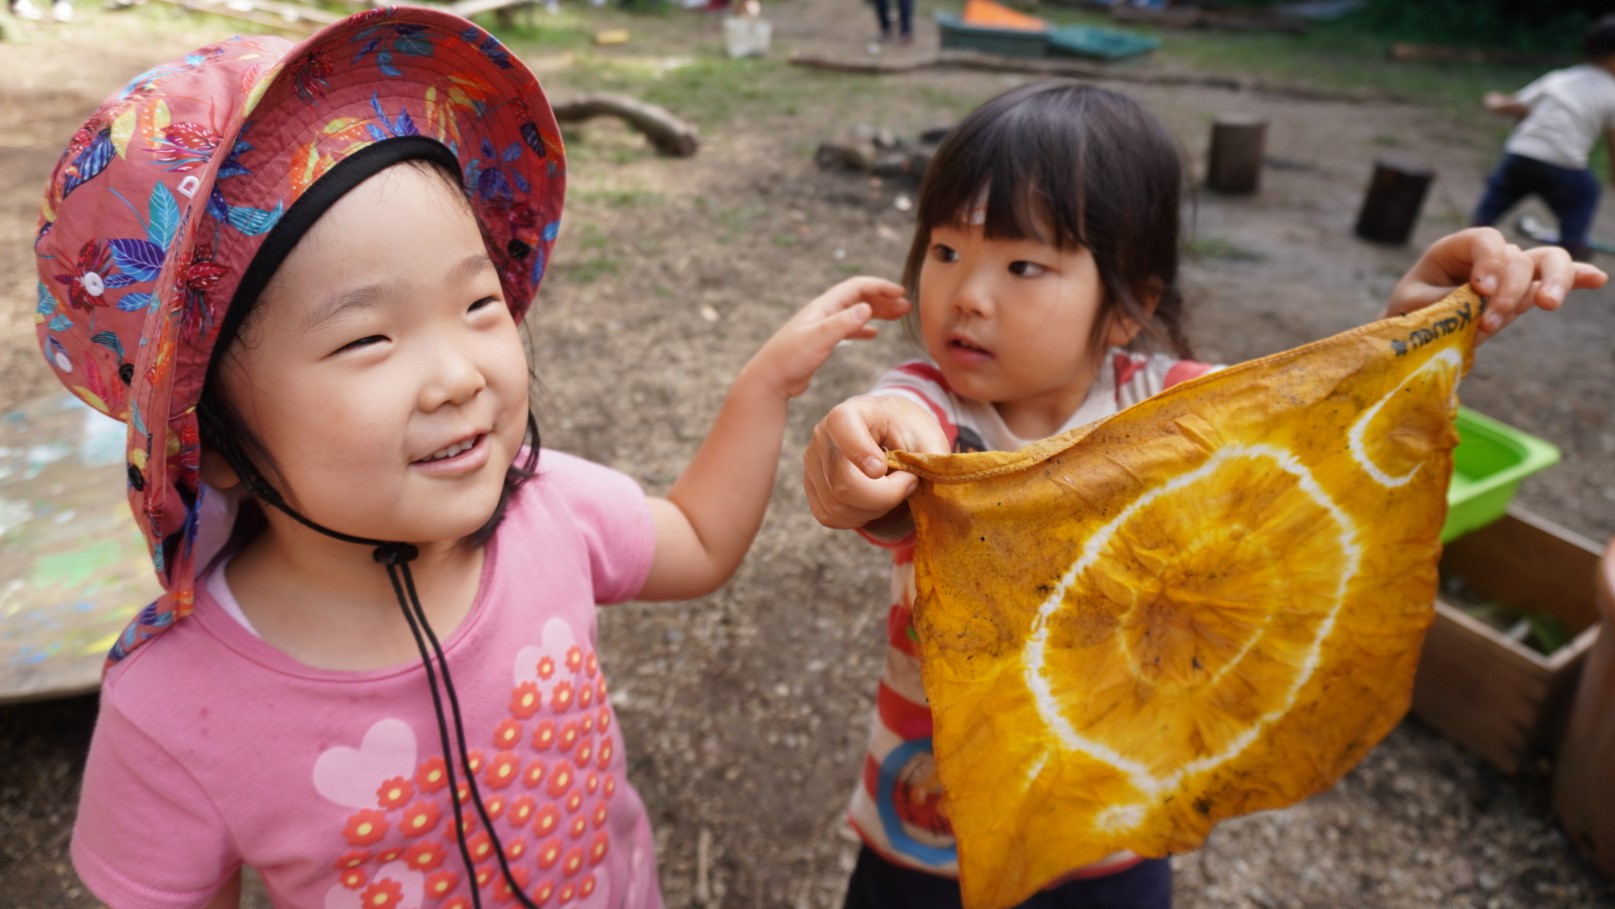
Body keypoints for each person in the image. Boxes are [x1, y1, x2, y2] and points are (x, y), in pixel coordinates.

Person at [34, 8, 909, 908]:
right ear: (209, 439)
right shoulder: (172, 708)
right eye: (368, 338)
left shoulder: (548, 508)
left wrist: (763, 388)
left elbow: (694, 538)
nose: (456, 374)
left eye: (478, 304)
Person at [799, 79, 1607, 909]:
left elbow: (1310, 433)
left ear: (1128, 306)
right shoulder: (934, 400)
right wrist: (867, 441)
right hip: (936, 814)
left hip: (1118, 797)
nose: (967, 292)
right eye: (944, 250)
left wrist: (1409, 329)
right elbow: (903, 440)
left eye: (1021, 264)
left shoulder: (1182, 409)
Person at [1471, 14, 1615, 261]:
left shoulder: (1559, 78)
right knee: (1584, 195)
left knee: (1504, 187)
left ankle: (1479, 227)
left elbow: (1515, 106)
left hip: (1521, 153)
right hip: (1564, 164)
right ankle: (1572, 243)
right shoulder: (1612, 93)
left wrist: (1493, 101)